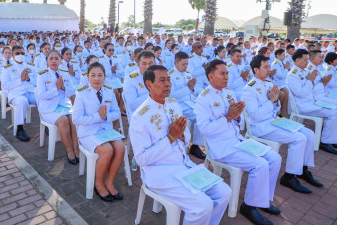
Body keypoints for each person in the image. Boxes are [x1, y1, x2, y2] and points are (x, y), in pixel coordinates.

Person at [130, 65, 231, 225]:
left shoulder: (172, 104)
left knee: (224, 192)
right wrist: (170, 137)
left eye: (168, 80)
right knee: (202, 206)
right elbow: (142, 159)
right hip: (160, 172)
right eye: (162, 81)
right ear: (149, 84)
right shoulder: (140, 116)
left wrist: (182, 135)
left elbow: (186, 135)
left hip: (182, 165)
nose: (168, 84)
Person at [195, 60, 282, 225]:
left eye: (227, 73)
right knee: (260, 165)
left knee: (275, 158)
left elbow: (237, 120)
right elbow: (205, 129)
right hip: (221, 147)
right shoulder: (203, 99)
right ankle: (249, 206)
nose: (226, 77)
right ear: (211, 76)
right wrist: (228, 117)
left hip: (237, 140)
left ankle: (262, 200)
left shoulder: (228, 93)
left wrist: (237, 116)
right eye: (222, 74)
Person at [242, 55, 322, 194]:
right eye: (265, 67)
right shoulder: (249, 89)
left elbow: (276, 109)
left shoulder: (268, 83)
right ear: (256, 69)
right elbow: (255, 115)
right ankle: (289, 176)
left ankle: (303, 169)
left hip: (273, 121)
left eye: (269, 67)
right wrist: (272, 101)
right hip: (260, 126)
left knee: (309, 133)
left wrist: (276, 102)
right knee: (299, 138)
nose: (269, 70)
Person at [72, 62, 125, 202]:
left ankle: (110, 182)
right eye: (93, 75)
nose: (97, 79)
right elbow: (76, 119)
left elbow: (117, 112)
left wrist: (106, 116)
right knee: (107, 150)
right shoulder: (82, 93)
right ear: (88, 77)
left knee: (120, 147)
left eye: (100, 75)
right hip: (88, 133)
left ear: (105, 77)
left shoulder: (108, 90)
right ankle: (99, 184)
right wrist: (97, 116)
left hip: (106, 130)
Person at [287, 49, 337, 154]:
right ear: (297, 61)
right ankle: (325, 141)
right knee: (333, 112)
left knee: (334, 109)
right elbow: (301, 93)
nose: (307, 62)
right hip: (303, 106)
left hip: (312, 102)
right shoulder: (292, 75)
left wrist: (314, 81)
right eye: (305, 60)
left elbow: (313, 87)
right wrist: (310, 80)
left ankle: (331, 138)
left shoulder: (304, 71)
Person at [36, 51, 78, 164]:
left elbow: (72, 91)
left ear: (60, 60)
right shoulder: (42, 75)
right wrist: (56, 88)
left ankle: (76, 148)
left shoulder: (64, 72)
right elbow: (41, 95)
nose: (54, 61)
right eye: (51, 59)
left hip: (64, 105)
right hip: (48, 108)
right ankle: (69, 150)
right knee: (64, 121)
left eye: (56, 58)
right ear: (47, 61)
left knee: (74, 120)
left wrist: (63, 87)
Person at [169, 51, 206, 159]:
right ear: (176, 63)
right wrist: (188, 88)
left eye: (186, 64)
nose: (185, 67)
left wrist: (193, 89)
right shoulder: (170, 75)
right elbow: (171, 95)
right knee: (199, 116)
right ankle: (195, 146)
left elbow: (192, 92)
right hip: (178, 104)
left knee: (205, 112)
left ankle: (199, 143)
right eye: (183, 64)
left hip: (190, 102)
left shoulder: (188, 74)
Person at [1, 46, 37, 141]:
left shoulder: (30, 66)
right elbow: (5, 85)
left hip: (30, 92)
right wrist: (20, 79)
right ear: (12, 55)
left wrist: (29, 79)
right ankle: (19, 129)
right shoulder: (7, 68)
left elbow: (37, 81)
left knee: (42, 98)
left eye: (22, 53)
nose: (20, 55)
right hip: (17, 94)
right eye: (17, 53)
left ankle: (47, 123)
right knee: (22, 101)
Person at [123, 50, 155, 116]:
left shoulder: (158, 76)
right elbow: (132, 105)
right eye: (144, 64)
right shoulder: (130, 80)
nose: (147, 67)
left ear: (155, 64)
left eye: (150, 63)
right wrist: (153, 94)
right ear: (138, 65)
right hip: (140, 114)